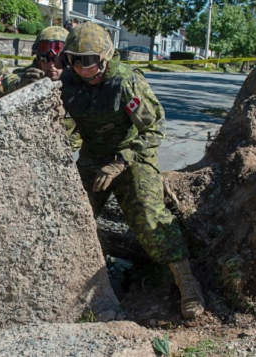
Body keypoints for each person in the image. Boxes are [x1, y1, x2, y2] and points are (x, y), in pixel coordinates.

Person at [58, 23, 205, 319]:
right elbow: (69, 126)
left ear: (103, 57)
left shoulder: (126, 82)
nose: (79, 66)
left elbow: (153, 129)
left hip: (132, 156)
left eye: (86, 59)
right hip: (92, 159)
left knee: (149, 216)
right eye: (73, 59)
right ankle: (65, 286)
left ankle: (186, 281)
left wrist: (121, 160)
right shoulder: (68, 83)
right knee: (69, 217)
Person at [14, 26, 81, 151]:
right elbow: (6, 84)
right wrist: (19, 85)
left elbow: (86, 124)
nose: (52, 65)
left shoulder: (80, 83)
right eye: (46, 59)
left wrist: (67, 149)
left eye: (58, 60)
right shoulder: (26, 77)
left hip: (62, 149)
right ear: (38, 59)